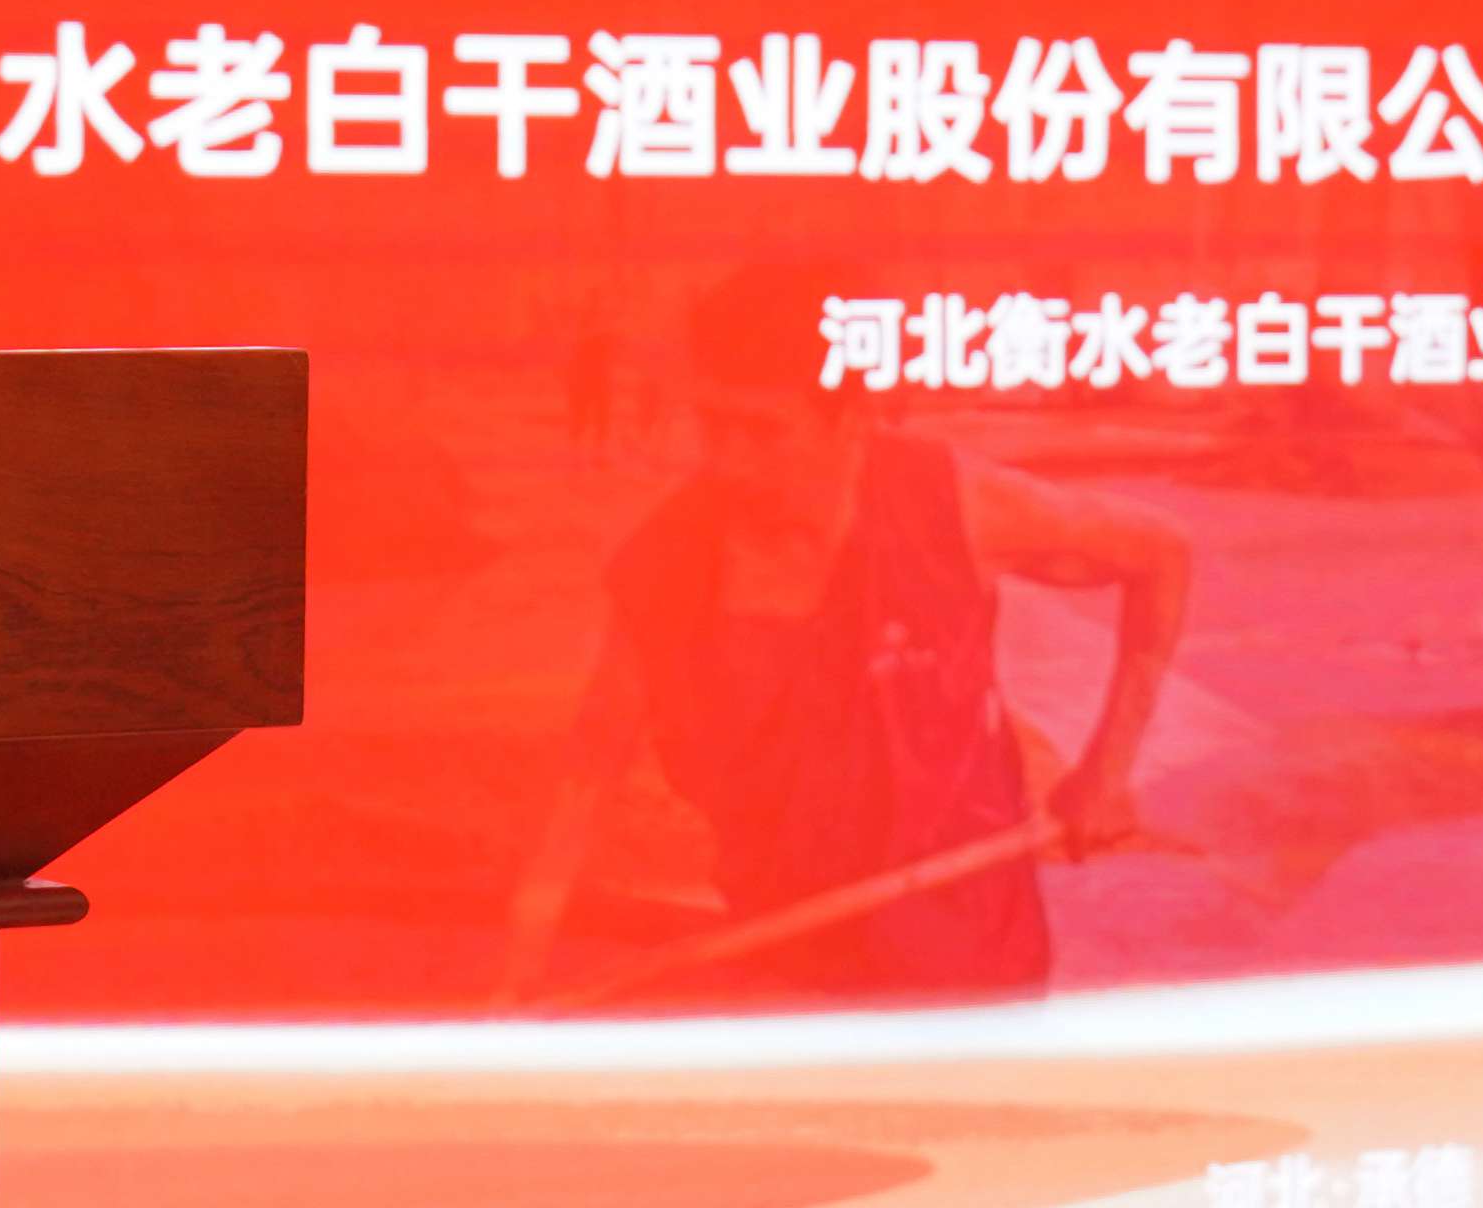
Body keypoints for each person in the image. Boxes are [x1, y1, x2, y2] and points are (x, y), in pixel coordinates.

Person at [496, 278, 1193, 1005]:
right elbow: (585, 778)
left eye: (762, 432)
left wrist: (1107, 771)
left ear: (851, 420)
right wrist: (518, 972)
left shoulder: (949, 506)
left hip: (973, 953)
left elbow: (1161, 553)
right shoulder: (669, 565)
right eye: (713, 425)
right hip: (784, 951)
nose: (728, 462)